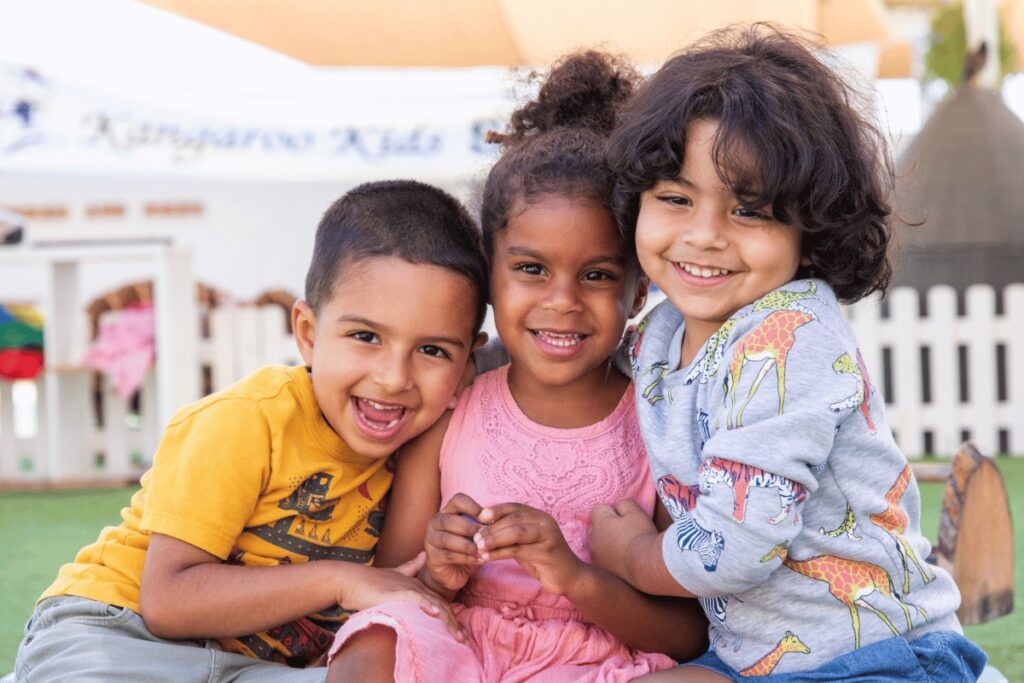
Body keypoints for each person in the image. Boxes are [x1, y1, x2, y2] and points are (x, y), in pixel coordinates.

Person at [588, 25, 988, 681]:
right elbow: (589, 372)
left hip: (881, 657)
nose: (704, 235)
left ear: (812, 226)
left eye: (749, 210)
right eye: (676, 199)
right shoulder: (660, 333)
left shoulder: (795, 334)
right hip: (755, 658)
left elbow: (737, 548)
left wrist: (632, 554)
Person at [325, 52, 709, 683]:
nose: (562, 301)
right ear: (490, 273)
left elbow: (688, 632)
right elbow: (393, 582)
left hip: (597, 665)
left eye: (597, 275)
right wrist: (440, 570)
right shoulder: (452, 414)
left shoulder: (658, 427)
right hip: (462, 649)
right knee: (375, 637)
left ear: (639, 289)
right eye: (531, 269)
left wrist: (575, 578)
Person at [11, 180, 489, 682]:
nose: (393, 378)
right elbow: (168, 602)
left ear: (467, 361)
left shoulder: (423, 445)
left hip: (251, 669)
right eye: (365, 336)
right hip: (120, 632)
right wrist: (338, 579)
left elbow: (390, 588)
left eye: (432, 350)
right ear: (308, 333)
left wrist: (437, 574)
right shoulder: (247, 419)